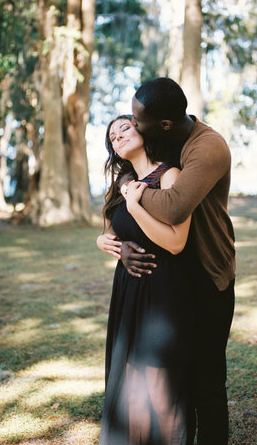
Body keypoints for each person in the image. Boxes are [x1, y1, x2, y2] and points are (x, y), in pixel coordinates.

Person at [119, 78, 236, 445]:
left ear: (165, 123)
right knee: (174, 377)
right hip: (173, 282)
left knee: (206, 382)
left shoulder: (208, 146)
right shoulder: (161, 140)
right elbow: (131, 192)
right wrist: (120, 243)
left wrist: (132, 197)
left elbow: (173, 207)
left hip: (208, 276)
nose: (133, 125)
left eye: (138, 121)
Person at [97, 114, 197, 445]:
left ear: (142, 129)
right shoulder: (123, 181)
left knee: (158, 388)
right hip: (128, 291)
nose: (118, 136)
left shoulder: (170, 175)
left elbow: (175, 242)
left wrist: (136, 205)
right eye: (112, 136)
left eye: (124, 127)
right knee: (130, 387)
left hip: (162, 293)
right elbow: (118, 230)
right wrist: (105, 242)